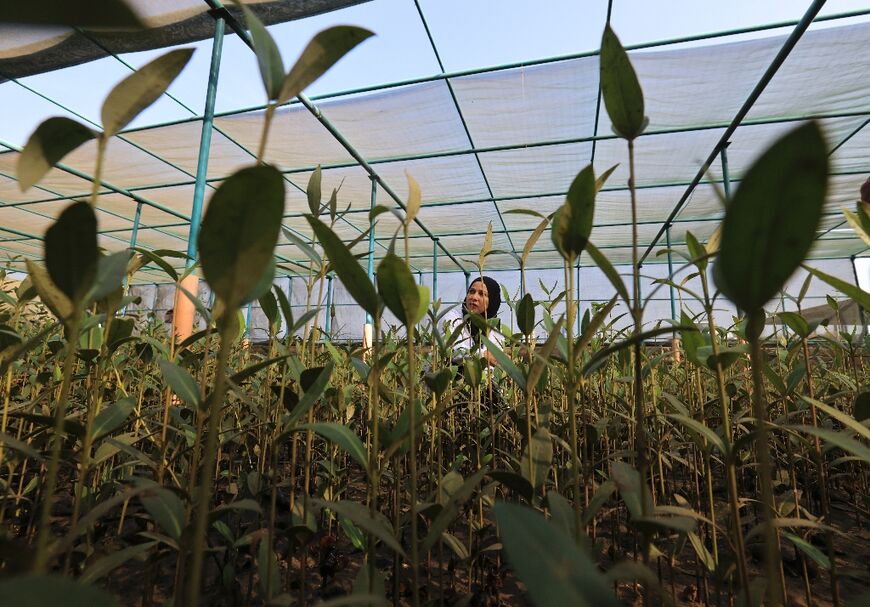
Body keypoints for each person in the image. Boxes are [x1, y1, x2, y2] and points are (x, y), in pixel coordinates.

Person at [445, 276, 504, 369]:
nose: (474, 297)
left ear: (492, 301)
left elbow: (496, 362)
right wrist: (483, 356)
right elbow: (452, 351)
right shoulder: (453, 318)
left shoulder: (494, 329)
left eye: (482, 294)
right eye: (471, 291)